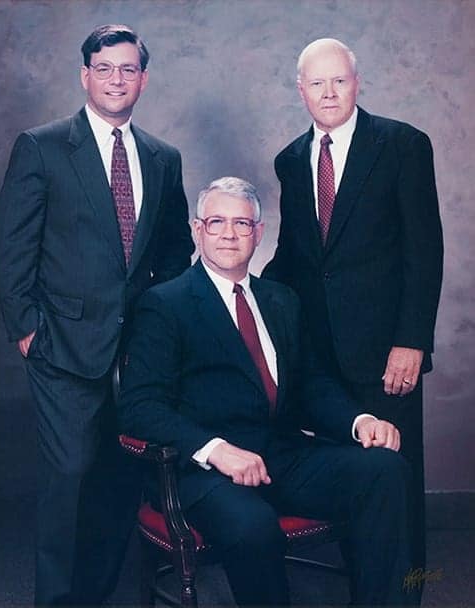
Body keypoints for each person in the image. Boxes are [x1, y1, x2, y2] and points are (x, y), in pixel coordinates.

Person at [119, 176, 418, 607]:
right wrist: (216, 449)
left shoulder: (281, 300)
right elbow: (140, 407)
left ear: (259, 234)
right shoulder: (165, 303)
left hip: (280, 454)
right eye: (216, 222)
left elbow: (312, 386)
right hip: (202, 471)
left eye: (242, 224)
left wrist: (360, 421)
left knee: (385, 471)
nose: (228, 234)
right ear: (196, 230)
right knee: (252, 524)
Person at [0, 24, 194, 606]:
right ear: (85, 76)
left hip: (136, 354)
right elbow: (10, 246)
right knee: (69, 480)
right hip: (61, 346)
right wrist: (28, 331)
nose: (115, 79)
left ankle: (100, 597)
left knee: (121, 481)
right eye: (103, 68)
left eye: (127, 69)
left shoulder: (162, 157)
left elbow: (174, 251)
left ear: (143, 80)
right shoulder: (43, 146)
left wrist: (162, 329)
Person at [262, 38, 444, 582]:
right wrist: (228, 287)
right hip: (318, 361)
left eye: (339, 80)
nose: (329, 92)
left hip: (385, 355)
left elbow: (424, 250)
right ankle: (365, 590)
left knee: (395, 483)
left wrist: (412, 340)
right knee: (352, 483)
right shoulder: (292, 161)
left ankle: (405, 593)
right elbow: (295, 259)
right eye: (317, 83)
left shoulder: (402, 144)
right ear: (301, 91)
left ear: (357, 83)